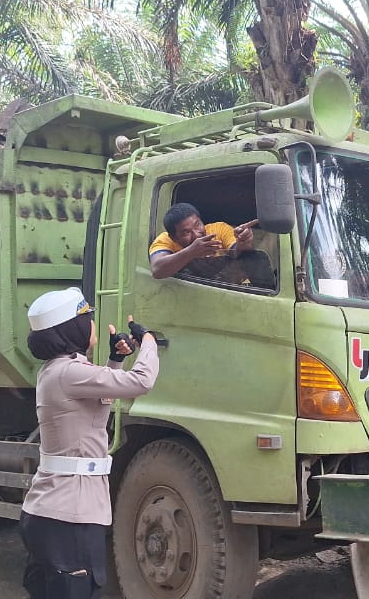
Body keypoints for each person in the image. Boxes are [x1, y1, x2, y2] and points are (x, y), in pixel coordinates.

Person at [18, 287, 159, 599]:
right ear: (73, 328)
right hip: (70, 516)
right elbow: (141, 382)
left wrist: (115, 360)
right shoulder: (70, 373)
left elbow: (95, 401)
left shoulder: (58, 370)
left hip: (52, 512)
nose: (92, 323)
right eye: (87, 318)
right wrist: (149, 340)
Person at [148, 202, 264, 284]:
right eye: (186, 232)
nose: (196, 235)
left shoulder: (219, 229)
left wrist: (243, 242)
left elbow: (237, 252)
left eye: (197, 225)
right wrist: (191, 252)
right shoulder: (165, 240)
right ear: (174, 238)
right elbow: (157, 270)